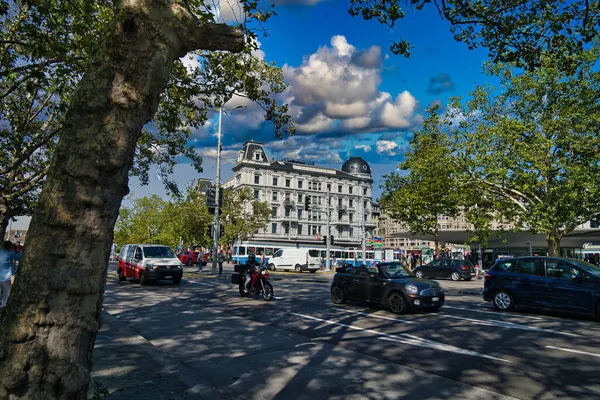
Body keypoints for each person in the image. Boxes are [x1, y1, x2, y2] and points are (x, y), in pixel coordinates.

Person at [1, 241, 20, 309]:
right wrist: (17, 248)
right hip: (6, 276)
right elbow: (19, 257)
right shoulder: (10, 253)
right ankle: (3, 306)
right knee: (6, 294)